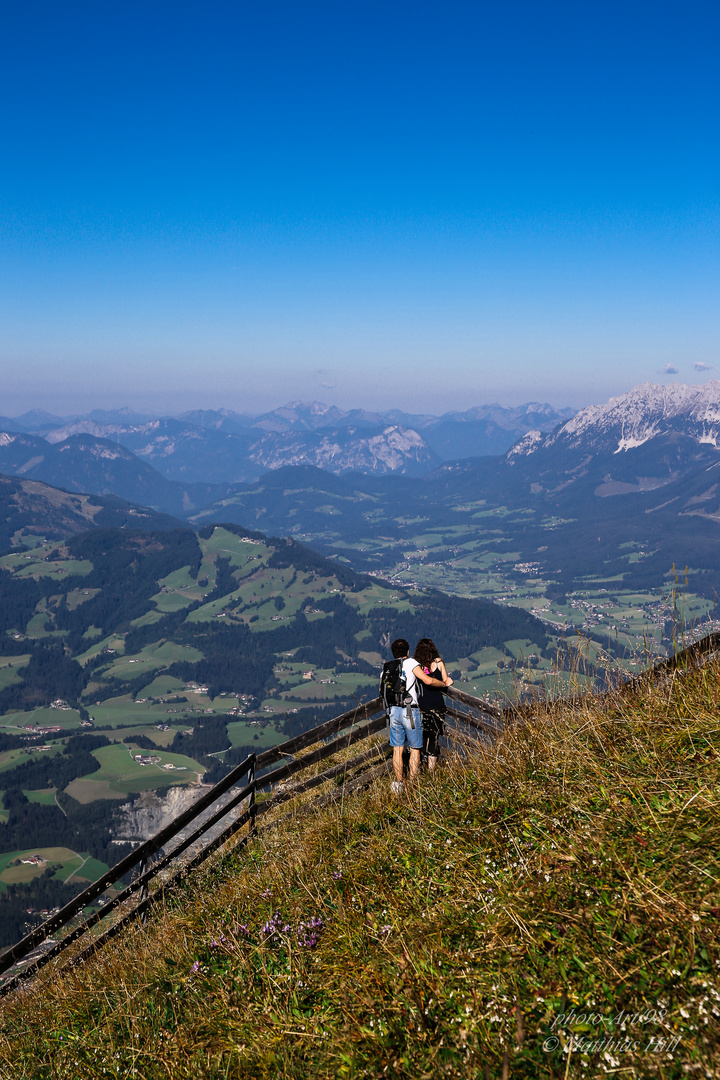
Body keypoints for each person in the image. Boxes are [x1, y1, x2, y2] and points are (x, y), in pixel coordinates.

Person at [382, 638, 452, 794]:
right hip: (410, 711)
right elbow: (427, 680)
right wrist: (443, 683)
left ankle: (398, 785)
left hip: (393, 712)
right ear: (407, 652)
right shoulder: (411, 663)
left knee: (397, 749)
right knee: (415, 748)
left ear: (393, 653)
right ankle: (414, 785)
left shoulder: (387, 668)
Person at [414, 637, 449, 772]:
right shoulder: (439, 663)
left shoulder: (417, 666)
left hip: (421, 704)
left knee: (422, 735)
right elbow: (446, 681)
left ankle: (420, 763)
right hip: (437, 704)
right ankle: (431, 769)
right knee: (434, 736)